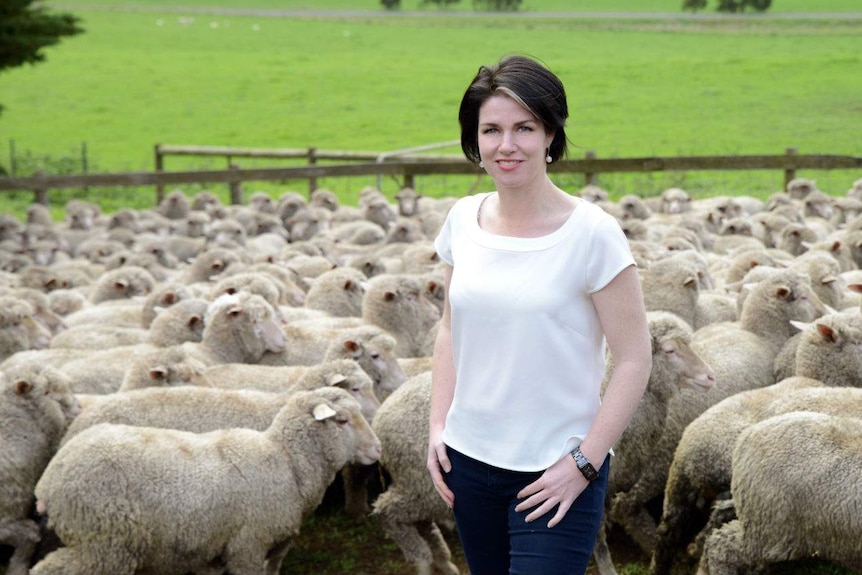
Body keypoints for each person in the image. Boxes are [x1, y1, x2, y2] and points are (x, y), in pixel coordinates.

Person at [426, 54, 652, 575]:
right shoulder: (463, 220)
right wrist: (438, 426)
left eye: (524, 128)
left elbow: (635, 359)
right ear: (475, 141)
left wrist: (585, 462)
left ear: (550, 134)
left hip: (557, 471)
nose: (507, 145)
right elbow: (450, 330)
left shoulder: (593, 233)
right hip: (469, 461)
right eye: (492, 130)